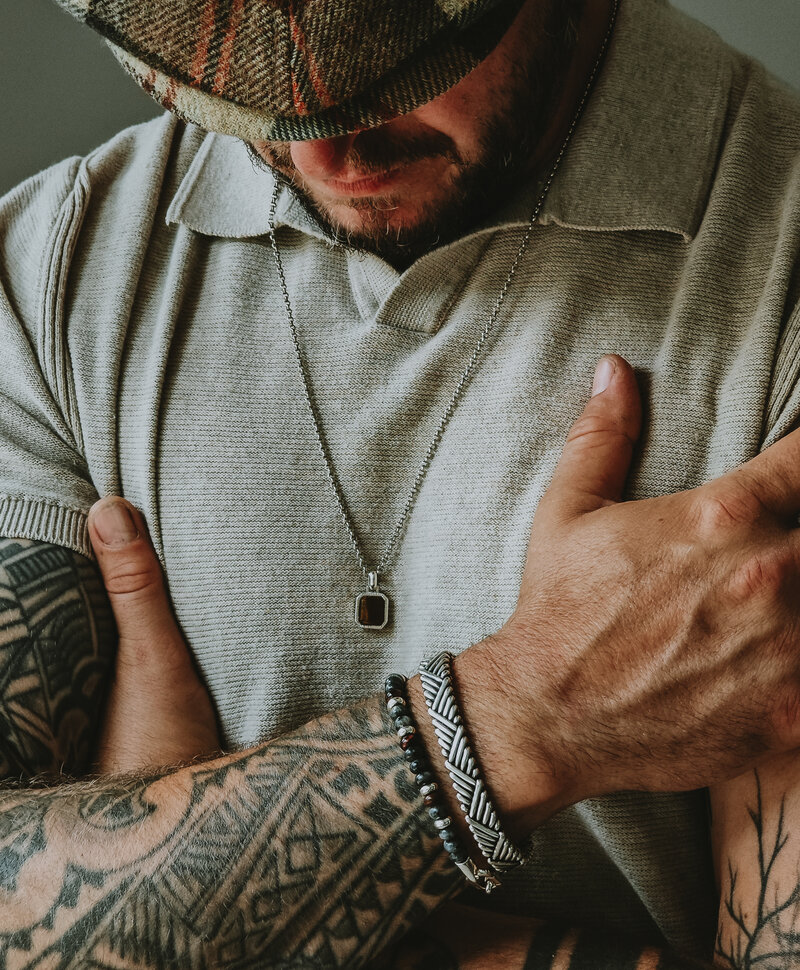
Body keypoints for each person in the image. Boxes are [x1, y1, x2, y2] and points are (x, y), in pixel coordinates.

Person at [0, 0, 799, 966]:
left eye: (393, 67)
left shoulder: (778, 261)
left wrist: (190, 887)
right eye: (257, 101)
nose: (323, 155)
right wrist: (520, 719)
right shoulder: (46, 278)